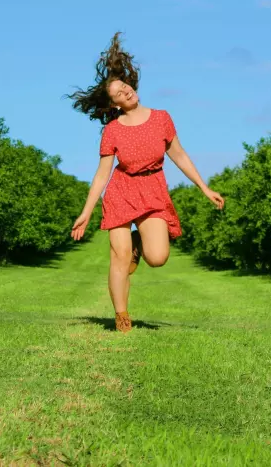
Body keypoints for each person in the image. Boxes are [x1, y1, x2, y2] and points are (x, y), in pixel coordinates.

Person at [68, 32, 225, 333]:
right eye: (118, 93)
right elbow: (103, 173)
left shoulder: (162, 118)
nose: (125, 91)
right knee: (119, 256)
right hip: (122, 191)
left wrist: (205, 189)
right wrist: (87, 212)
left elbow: (179, 155)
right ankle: (122, 318)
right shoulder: (112, 130)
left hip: (152, 189)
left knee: (158, 257)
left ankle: (139, 243)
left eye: (124, 86)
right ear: (113, 105)